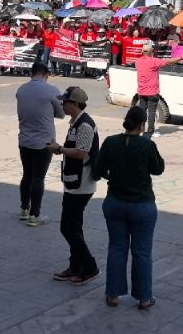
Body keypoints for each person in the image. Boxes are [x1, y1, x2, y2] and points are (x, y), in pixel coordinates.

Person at [93, 106, 165, 309]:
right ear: (142, 125)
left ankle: (113, 294)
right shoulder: (146, 145)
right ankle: (144, 298)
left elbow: (98, 169)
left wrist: (113, 176)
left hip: (115, 202)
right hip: (142, 205)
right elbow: (158, 169)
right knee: (141, 251)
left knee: (116, 247)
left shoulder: (111, 142)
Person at [46, 87, 101, 286]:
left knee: (68, 228)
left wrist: (59, 149)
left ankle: (90, 266)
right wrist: (60, 149)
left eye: (66, 102)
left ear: (76, 104)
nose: (62, 105)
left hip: (81, 184)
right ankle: (75, 266)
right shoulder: (77, 122)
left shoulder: (85, 125)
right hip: (74, 182)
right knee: (74, 227)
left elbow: (82, 153)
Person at [16, 61, 65, 226]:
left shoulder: (21, 90)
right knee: (39, 177)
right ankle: (35, 215)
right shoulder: (51, 90)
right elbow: (61, 114)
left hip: (24, 140)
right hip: (45, 142)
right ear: (45, 74)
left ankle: (24, 208)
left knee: (27, 175)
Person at [134, 44, 183, 138]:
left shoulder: (138, 61)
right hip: (152, 92)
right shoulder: (154, 61)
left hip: (141, 92)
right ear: (151, 52)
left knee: (142, 111)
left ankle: (141, 130)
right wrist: (181, 57)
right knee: (151, 112)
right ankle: (150, 131)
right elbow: (169, 62)